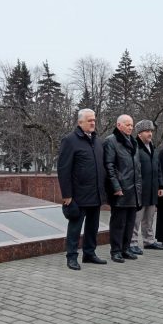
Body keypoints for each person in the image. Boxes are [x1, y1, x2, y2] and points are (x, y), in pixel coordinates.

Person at [57, 108, 108, 270]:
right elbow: (63, 169)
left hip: (95, 194)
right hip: (78, 196)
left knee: (93, 227)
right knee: (75, 227)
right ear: (80, 122)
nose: (93, 123)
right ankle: (71, 257)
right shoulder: (70, 140)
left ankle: (89, 254)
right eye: (89, 120)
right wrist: (67, 195)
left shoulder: (97, 141)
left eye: (94, 120)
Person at [104, 115, 142, 262]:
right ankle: (116, 251)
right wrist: (116, 187)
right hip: (120, 189)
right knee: (118, 223)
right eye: (127, 125)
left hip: (133, 190)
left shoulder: (133, 142)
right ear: (118, 125)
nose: (130, 127)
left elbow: (137, 167)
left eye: (131, 125)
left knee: (130, 222)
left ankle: (126, 249)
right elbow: (109, 166)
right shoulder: (111, 141)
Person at [131, 119, 163, 251]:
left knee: (149, 217)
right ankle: (132, 242)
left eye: (151, 131)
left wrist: (161, 185)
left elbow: (158, 168)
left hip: (152, 189)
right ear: (139, 134)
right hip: (140, 190)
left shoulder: (153, 148)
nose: (150, 134)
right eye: (146, 131)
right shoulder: (135, 148)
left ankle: (149, 240)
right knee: (136, 219)